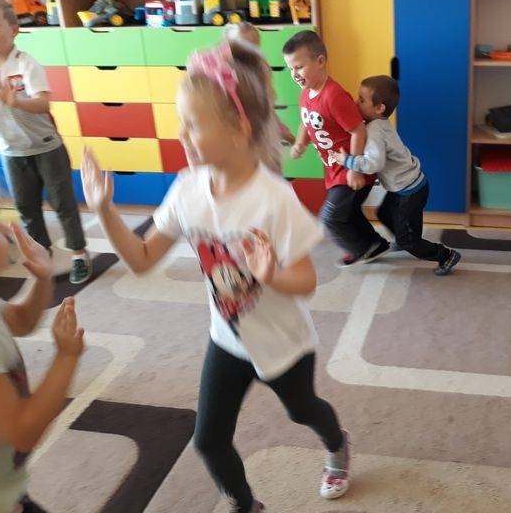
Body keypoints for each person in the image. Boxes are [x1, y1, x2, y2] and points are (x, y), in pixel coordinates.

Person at [80, 38, 350, 512]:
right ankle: (247, 506)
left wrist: (271, 275)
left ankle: (337, 445)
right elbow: (141, 259)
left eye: (192, 124)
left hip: (283, 340)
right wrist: (104, 211)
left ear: (239, 128)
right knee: (208, 440)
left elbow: (307, 281)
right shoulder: (187, 191)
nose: (180, 134)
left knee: (302, 410)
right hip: (227, 338)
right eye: (179, 122)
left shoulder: (273, 199)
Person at [0, 177, 85, 513]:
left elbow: (21, 321)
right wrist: (66, 357)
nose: (4, 233)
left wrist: (42, 277)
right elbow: (23, 430)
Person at [0, 0, 90, 284]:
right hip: (12, 151)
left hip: (46, 147)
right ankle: (41, 256)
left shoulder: (26, 64)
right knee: (26, 208)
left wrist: (16, 102)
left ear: (13, 29)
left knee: (63, 204)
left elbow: (44, 103)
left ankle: (79, 254)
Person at [328, 75, 461, 275]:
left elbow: (374, 164)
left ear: (379, 108)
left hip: (410, 191)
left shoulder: (375, 131)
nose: (356, 103)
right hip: (406, 185)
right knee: (383, 212)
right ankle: (402, 235)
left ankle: (445, 255)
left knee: (410, 241)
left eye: (362, 100)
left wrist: (348, 161)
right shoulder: (379, 123)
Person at [282, 30, 389, 267]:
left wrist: (355, 168)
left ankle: (362, 248)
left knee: (330, 217)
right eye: (290, 69)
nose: (294, 74)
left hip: (351, 169)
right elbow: (306, 120)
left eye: (299, 67)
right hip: (334, 168)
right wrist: (300, 142)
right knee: (347, 212)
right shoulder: (306, 93)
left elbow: (358, 130)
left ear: (320, 61)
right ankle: (374, 244)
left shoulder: (334, 96)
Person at [225, 22, 295, 146]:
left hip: (259, 133)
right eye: (241, 48)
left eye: (254, 48)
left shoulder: (261, 68)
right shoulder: (225, 73)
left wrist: (281, 130)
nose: (248, 54)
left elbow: (266, 106)